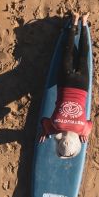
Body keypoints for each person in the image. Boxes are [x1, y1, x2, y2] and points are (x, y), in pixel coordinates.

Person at [39, 12, 92, 159]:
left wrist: (84, 134)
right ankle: (74, 21)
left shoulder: (82, 128)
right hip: (65, 82)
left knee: (83, 56)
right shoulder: (55, 125)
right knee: (68, 52)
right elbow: (43, 120)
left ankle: (84, 22)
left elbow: (90, 123)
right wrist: (46, 132)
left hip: (82, 85)